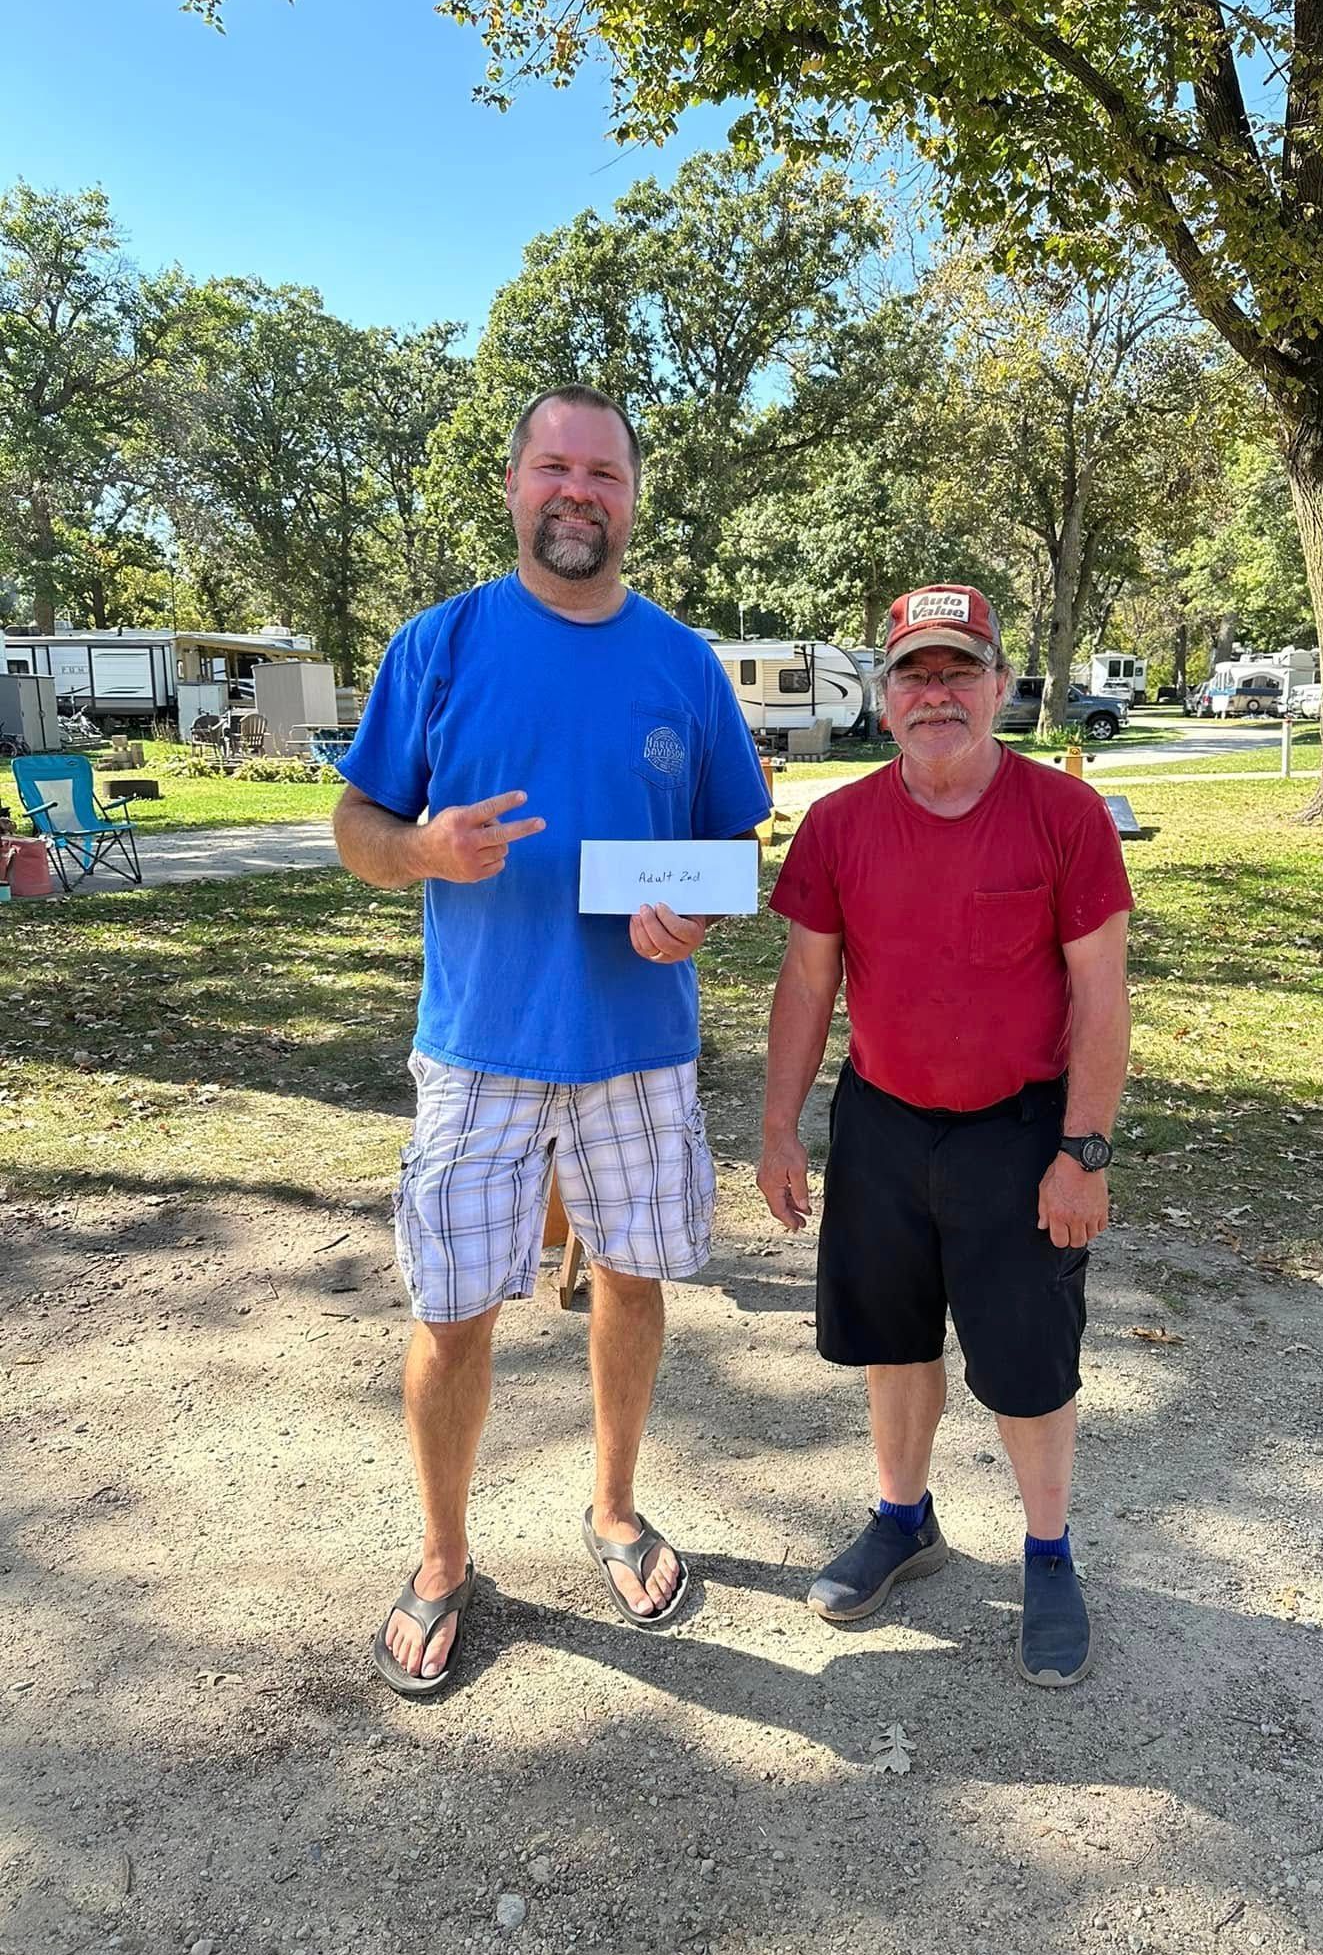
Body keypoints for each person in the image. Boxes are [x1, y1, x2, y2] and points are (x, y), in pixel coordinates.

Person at [334, 384, 770, 1696]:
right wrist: (419, 848)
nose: (579, 492)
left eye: (605, 475)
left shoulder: (683, 665)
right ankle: (442, 1555)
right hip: (477, 1049)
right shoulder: (441, 646)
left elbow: (732, 845)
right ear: (516, 485)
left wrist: (689, 912)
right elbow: (356, 830)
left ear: (634, 498)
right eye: (554, 469)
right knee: (454, 1310)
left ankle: (617, 1510)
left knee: (631, 1284)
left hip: (638, 1050)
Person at [757, 584, 1132, 1685]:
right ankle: (903, 1518)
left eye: (958, 671)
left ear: (1001, 687)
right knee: (893, 1338)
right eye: (914, 674)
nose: (936, 694)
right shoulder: (839, 822)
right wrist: (781, 1127)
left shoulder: (1065, 818)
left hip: (1022, 1134)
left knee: (1027, 1363)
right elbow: (806, 981)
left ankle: (1050, 1552)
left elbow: (1103, 996)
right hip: (881, 1121)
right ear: (884, 695)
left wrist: (1085, 1148)